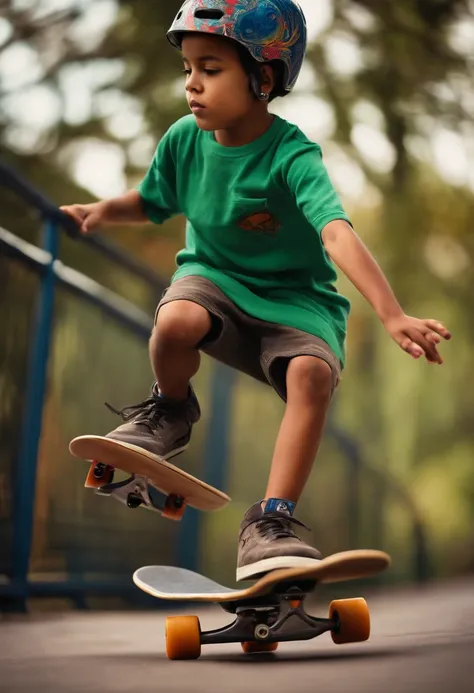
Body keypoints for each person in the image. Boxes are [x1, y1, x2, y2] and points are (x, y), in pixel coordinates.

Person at [60, 0, 451, 582]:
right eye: (188, 69)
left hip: (298, 304)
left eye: (211, 69)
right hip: (214, 281)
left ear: (262, 79)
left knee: (312, 376)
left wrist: (391, 314)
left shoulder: (293, 155)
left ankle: (270, 521)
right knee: (175, 321)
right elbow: (152, 200)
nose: (192, 84)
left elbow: (337, 234)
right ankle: (170, 411)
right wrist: (101, 211)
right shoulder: (184, 141)